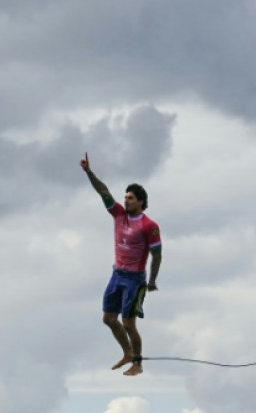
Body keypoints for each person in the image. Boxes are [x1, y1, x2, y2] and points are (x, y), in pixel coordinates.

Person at [80, 152, 162, 376]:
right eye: (125, 197)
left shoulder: (149, 225)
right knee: (108, 318)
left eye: (131, 198)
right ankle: (127, 352)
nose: (126, 200)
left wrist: (152, 280)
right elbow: (103, 191)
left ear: (141, 202)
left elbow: (157, 255)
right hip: (117, 274)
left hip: (135, 280)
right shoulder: (118, 214)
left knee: (128, 323)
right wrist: (89, 172)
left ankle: (137, 363)